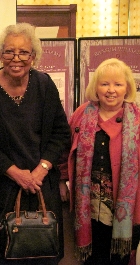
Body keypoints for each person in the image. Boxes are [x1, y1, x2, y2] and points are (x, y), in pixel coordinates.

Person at [0, 22, 71, 265]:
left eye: (23, 52)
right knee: (7, 255)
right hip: (5, 189)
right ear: (0, 54)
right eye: (9, 51)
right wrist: (17, 174)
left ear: (33, 56)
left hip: (42, 188)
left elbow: (61, 132)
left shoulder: (44, 84)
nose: (16, 58)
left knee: (44, 254)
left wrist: (41, 170)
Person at [59, 58, 140, 265]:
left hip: (129, 207)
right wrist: (62, 181)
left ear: (127, 88)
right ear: (96, 87)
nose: (111, 90)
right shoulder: (81, 115)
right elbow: (64, 150)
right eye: (104, 84)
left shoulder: (137, 118)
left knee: (120, 259)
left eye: (118, 84)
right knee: (94, 260)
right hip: (90, 206)